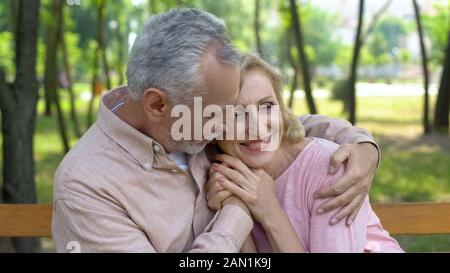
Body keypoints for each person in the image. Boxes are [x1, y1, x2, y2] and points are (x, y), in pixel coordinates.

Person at [52, 9, 380, 253]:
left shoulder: (190, 119)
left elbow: (279, 124)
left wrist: (360, 143)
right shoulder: (86, 185)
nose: (231, 124)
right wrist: (237, 210)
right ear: (157, 105)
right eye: (224, 112)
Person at [206, 53, 403, 253]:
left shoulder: (329, 167)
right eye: (237, 113)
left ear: (282, 111)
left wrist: (270, 210)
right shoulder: (222, 175)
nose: (256, 127)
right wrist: (233, 207)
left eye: (266, 106)